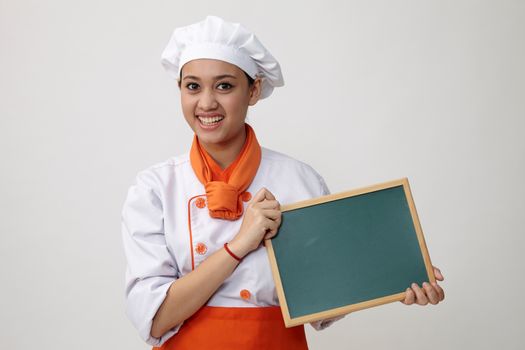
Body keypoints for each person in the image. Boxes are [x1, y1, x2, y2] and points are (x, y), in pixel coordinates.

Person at [121, 15, 445, 350]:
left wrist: (392, 279)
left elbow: (323, 300)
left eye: (225, 85)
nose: (206, 103)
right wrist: (240, 244)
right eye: (192, 86)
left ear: (254, 90)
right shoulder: (155, 189)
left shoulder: (298, 179)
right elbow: (156, 317)